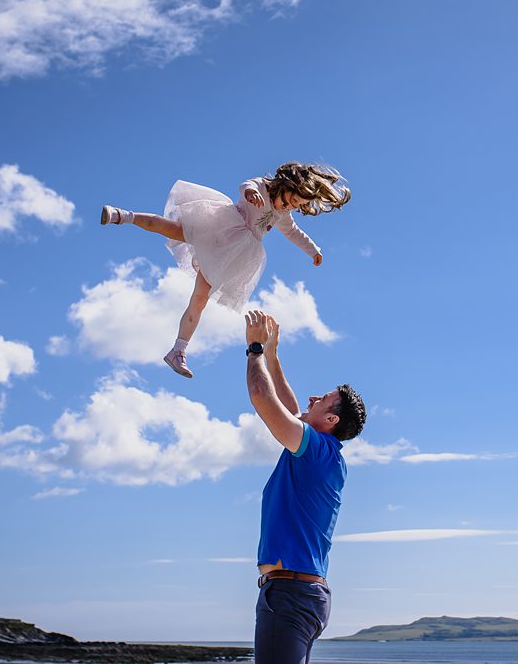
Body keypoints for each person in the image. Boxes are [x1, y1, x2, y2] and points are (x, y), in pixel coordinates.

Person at [100, 163, 350, 378]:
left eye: (296, 206)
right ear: (286, 184)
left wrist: (313, 250)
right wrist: (251, 193)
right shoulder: (263, 187)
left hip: (229, 255)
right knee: (171, 228)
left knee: (199, 300)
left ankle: (178, 350)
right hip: (219, 227)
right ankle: (123, 216)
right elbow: (246, 185)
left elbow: (294, 233)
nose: (289, 207)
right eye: (291, 200)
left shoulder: (282, 214)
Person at [244, 309, 366, 664]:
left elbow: (263, 399)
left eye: (322, 399)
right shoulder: (324, 453)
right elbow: (289, 408)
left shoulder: (315, 451)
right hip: (300, 592)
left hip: (290, 594)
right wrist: (273, 356)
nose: (312, 398)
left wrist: (254, 350)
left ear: (331, 419)